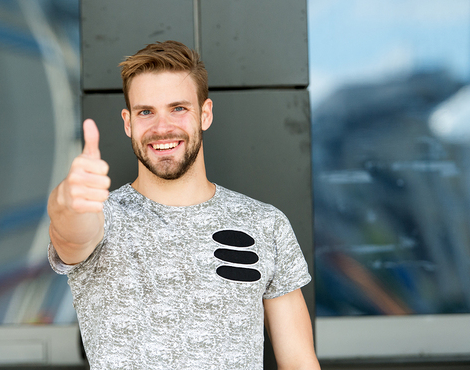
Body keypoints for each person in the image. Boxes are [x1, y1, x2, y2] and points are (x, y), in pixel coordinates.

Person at [48, 40, 320, 370]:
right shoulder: (103, 217)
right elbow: (71, 234)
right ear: (127, 122)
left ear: (205, 114)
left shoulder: (265, 223)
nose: (162, 128)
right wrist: (68, 199)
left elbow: (299, 361)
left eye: (178, 108)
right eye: (145, 112)